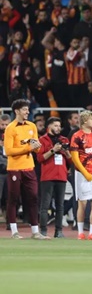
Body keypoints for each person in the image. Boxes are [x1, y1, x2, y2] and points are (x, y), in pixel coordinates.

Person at [3, 100, 48, 240]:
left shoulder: (32, 126)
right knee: (13, 199)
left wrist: (37, 147)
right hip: (15, 168)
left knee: (34, 198)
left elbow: (37, 147)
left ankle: (35, 231)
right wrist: (28, 148)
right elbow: (8, 151)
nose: (28, 112)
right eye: (24, 110)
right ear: (16, 111)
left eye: (28, 110)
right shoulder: (10, 128)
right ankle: (14, 231)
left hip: (29, 167)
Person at [70, 110, 92, 240]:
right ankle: (80, 232)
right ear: (85, 121)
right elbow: (75, 158)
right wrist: (85, 173)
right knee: (82, 203)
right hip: (81, 174)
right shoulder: (77, 136)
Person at [37, 117, 72, 238]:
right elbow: (40, 158)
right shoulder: (42, 140)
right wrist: (53, 150)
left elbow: (70, 160)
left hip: (61, 175)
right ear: (49, 126)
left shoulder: (64, 140)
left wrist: (66, 153)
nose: (58, 128)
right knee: (45, 205)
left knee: (60, 205)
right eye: (56, 125)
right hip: (47, 176)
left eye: (59, 126)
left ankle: (59, 231)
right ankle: (43, 230)